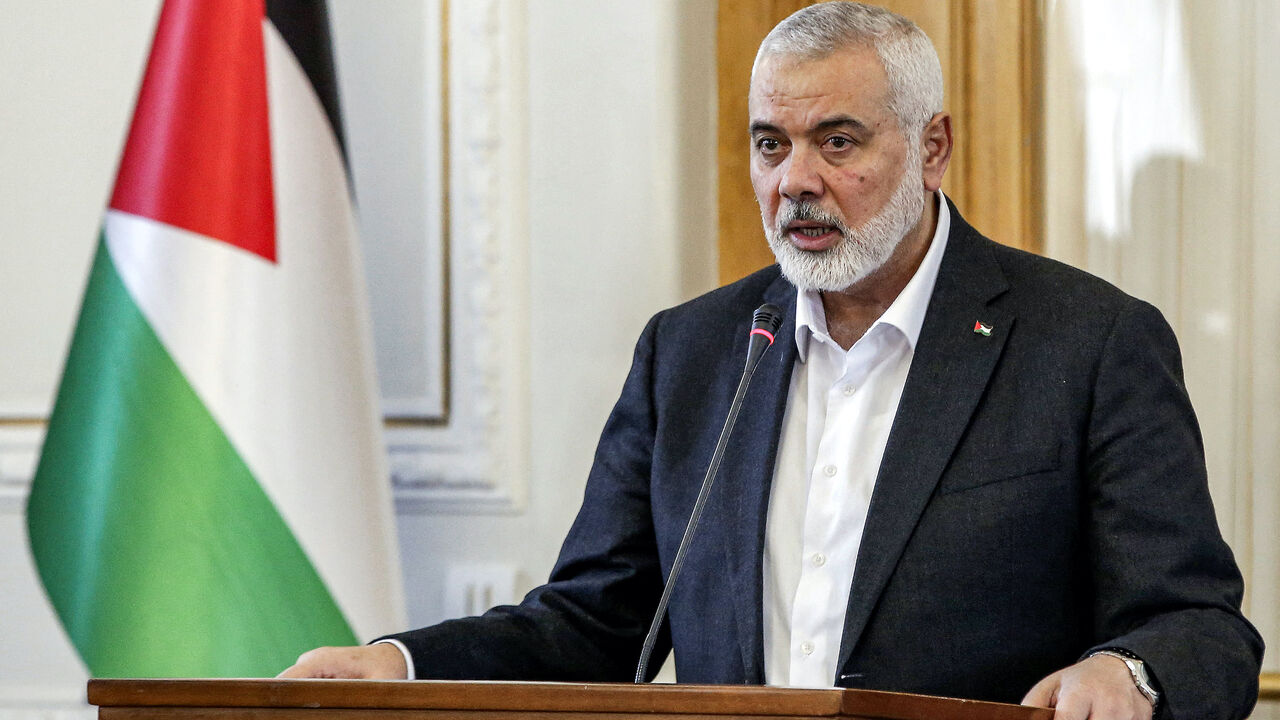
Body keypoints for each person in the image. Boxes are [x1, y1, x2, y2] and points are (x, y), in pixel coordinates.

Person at [280, 3, 1263, 718]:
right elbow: (589, 628)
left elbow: (1196, 625)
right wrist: (403, 666)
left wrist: (1126, 674)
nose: (794, 180)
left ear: (931, 148)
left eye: (837, 141)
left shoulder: (1084, 343)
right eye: (768, 143)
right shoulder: (693, 352)